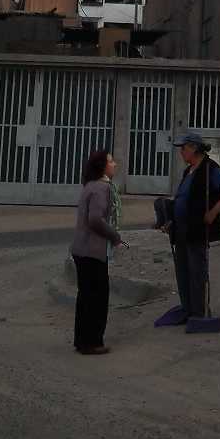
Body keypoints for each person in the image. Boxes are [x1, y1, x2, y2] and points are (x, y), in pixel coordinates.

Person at [154, 131, 220, 328]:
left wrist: (214, 212)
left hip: (197, 229)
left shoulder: (209, 168)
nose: (181, 152)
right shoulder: (188, 171)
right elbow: (182, 198)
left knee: (197, 270)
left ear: (194, 148)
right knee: (183, 270)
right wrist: (170, 220)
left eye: (183, 148)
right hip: (181, 229)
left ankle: (199, 312)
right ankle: (188, 308)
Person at [71, 149, 122, 355]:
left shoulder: (89, 185)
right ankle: (92, 342)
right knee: (97, 298)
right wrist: (115, 236)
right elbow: (95, 219)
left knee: (85, 297)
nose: (114, 164)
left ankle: (82, 340)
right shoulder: (102, 188)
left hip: (81, 249)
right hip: (93, 251)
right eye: (111, 161)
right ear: (102, 166)